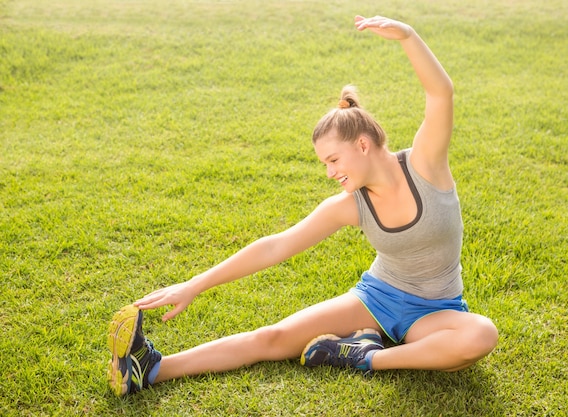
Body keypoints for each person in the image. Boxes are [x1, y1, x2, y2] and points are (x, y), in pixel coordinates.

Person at [107, 15, 499, 397]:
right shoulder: (351, 205)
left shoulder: (425, 166)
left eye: (333, 160)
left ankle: (360, 356)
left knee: (477, 337)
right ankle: (151, 368)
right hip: (377, 297)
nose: (329, 172)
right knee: (274, 338)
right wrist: (195, 284)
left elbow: (440, 93)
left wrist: (408, 36)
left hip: (436, 311)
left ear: (363, 145)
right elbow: (275, 245)